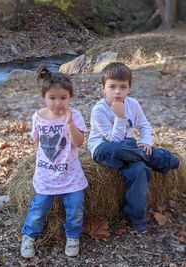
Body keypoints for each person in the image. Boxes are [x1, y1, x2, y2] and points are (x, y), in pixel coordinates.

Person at [88, 62, 180, 234]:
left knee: (140, 170)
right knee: (117, 149)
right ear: (103, 88)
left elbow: (144, 125)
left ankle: (136, 216)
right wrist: (120, 116)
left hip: (129, 148)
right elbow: (113, 141)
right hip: (103, 149)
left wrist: (146, 141)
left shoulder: (133, 103)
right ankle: (162, 158)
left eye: (123, 87)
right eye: (112, 86)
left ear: (129, 89)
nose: (117, 91)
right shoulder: (98, 110)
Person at [20, 65, 88, 258]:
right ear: (44, 97)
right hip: (46, 174)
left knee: (75, 206)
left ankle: (73, 236)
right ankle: (29, 236)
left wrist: (69, 123)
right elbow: (37, 141)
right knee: (38, 207)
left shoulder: (74, 115)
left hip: (70, 173)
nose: (58, 103)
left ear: (70, 97)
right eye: (52, 98)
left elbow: (79, 142)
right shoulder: (38, 116)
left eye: (63, 98)